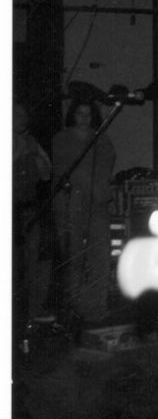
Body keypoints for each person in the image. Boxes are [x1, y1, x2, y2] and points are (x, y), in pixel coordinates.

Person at [52, 96, 116, 327]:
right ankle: (75, 306)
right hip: (71, 204)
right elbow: (64, 170)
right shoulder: (62, 138)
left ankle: (97, 307)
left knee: (100, 255)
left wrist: (100, 192)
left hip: (96, 204)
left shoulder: (102, 139)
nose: (84, 118)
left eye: (88, 114)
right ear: (73, 115)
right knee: (73, 256)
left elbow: (106, 168)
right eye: (80, 113)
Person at [13, 101, 53, 324]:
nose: (22, 119)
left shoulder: (31, 142)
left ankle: (34, 311)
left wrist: (36, 154)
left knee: (35, 261)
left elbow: (46, 175)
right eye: (16, 114)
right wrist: (19, 149)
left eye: (23, 115)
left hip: (28, 210)